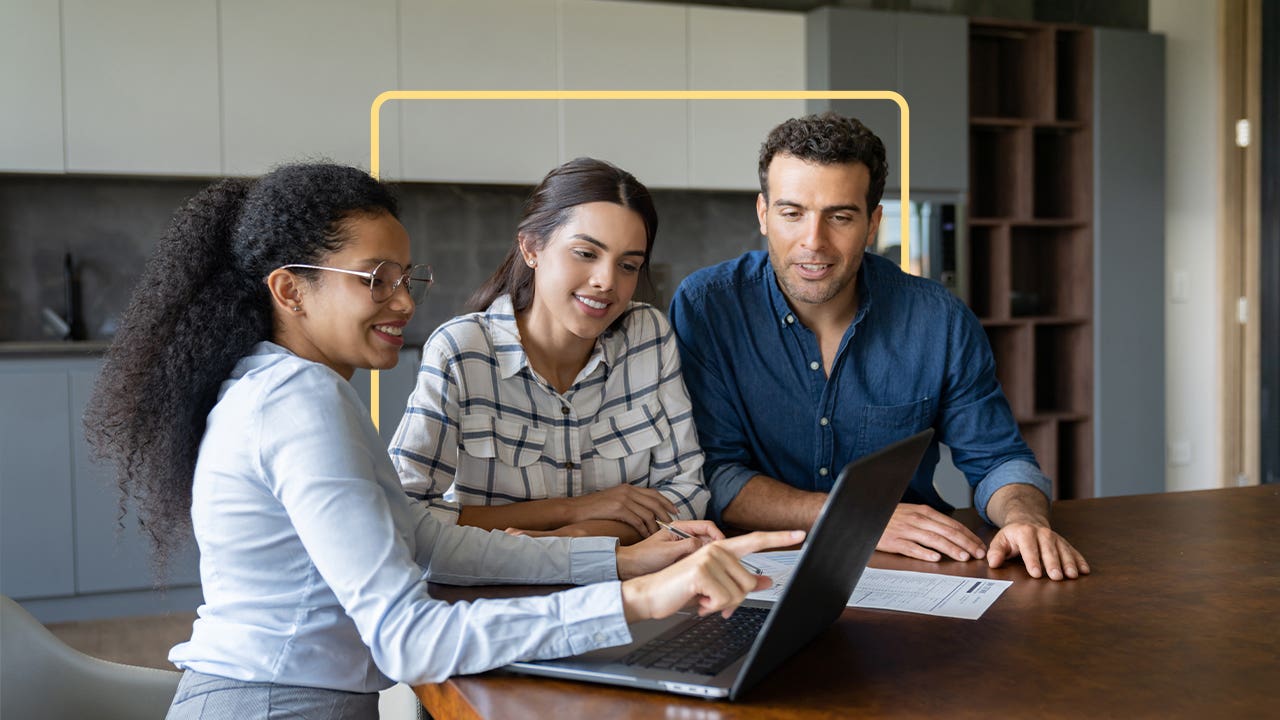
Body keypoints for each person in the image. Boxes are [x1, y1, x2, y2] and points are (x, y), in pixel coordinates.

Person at [83, 162, 801, 719]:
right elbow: (408, 639)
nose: (404, 301)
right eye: (375, 280)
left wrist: (620, 564)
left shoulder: (297, 388)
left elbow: (428, 536)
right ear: (291, 290)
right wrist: (642, 598)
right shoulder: (296, 405)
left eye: (405, 277)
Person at [668, 113, 1089, 582]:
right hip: (754, 571)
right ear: (764, 214)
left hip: (907, 571)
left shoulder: (938, 319)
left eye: (840, 216)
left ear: (873, 224)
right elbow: (717, 474)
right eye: (792, 213)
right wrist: (858, 516)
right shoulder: (708, 306)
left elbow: (997, 458)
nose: (814, 241)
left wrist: (1024, 518)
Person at [391, 158, 708, 545]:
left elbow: (687, 492)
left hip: (626, 587)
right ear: (531, 248)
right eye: (585, 254)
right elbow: (403, 510)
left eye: (628, 265)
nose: (606, 282)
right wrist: (571, 509)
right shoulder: (461, 351)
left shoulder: (648, 336)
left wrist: (576, 536)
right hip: (497, 592)